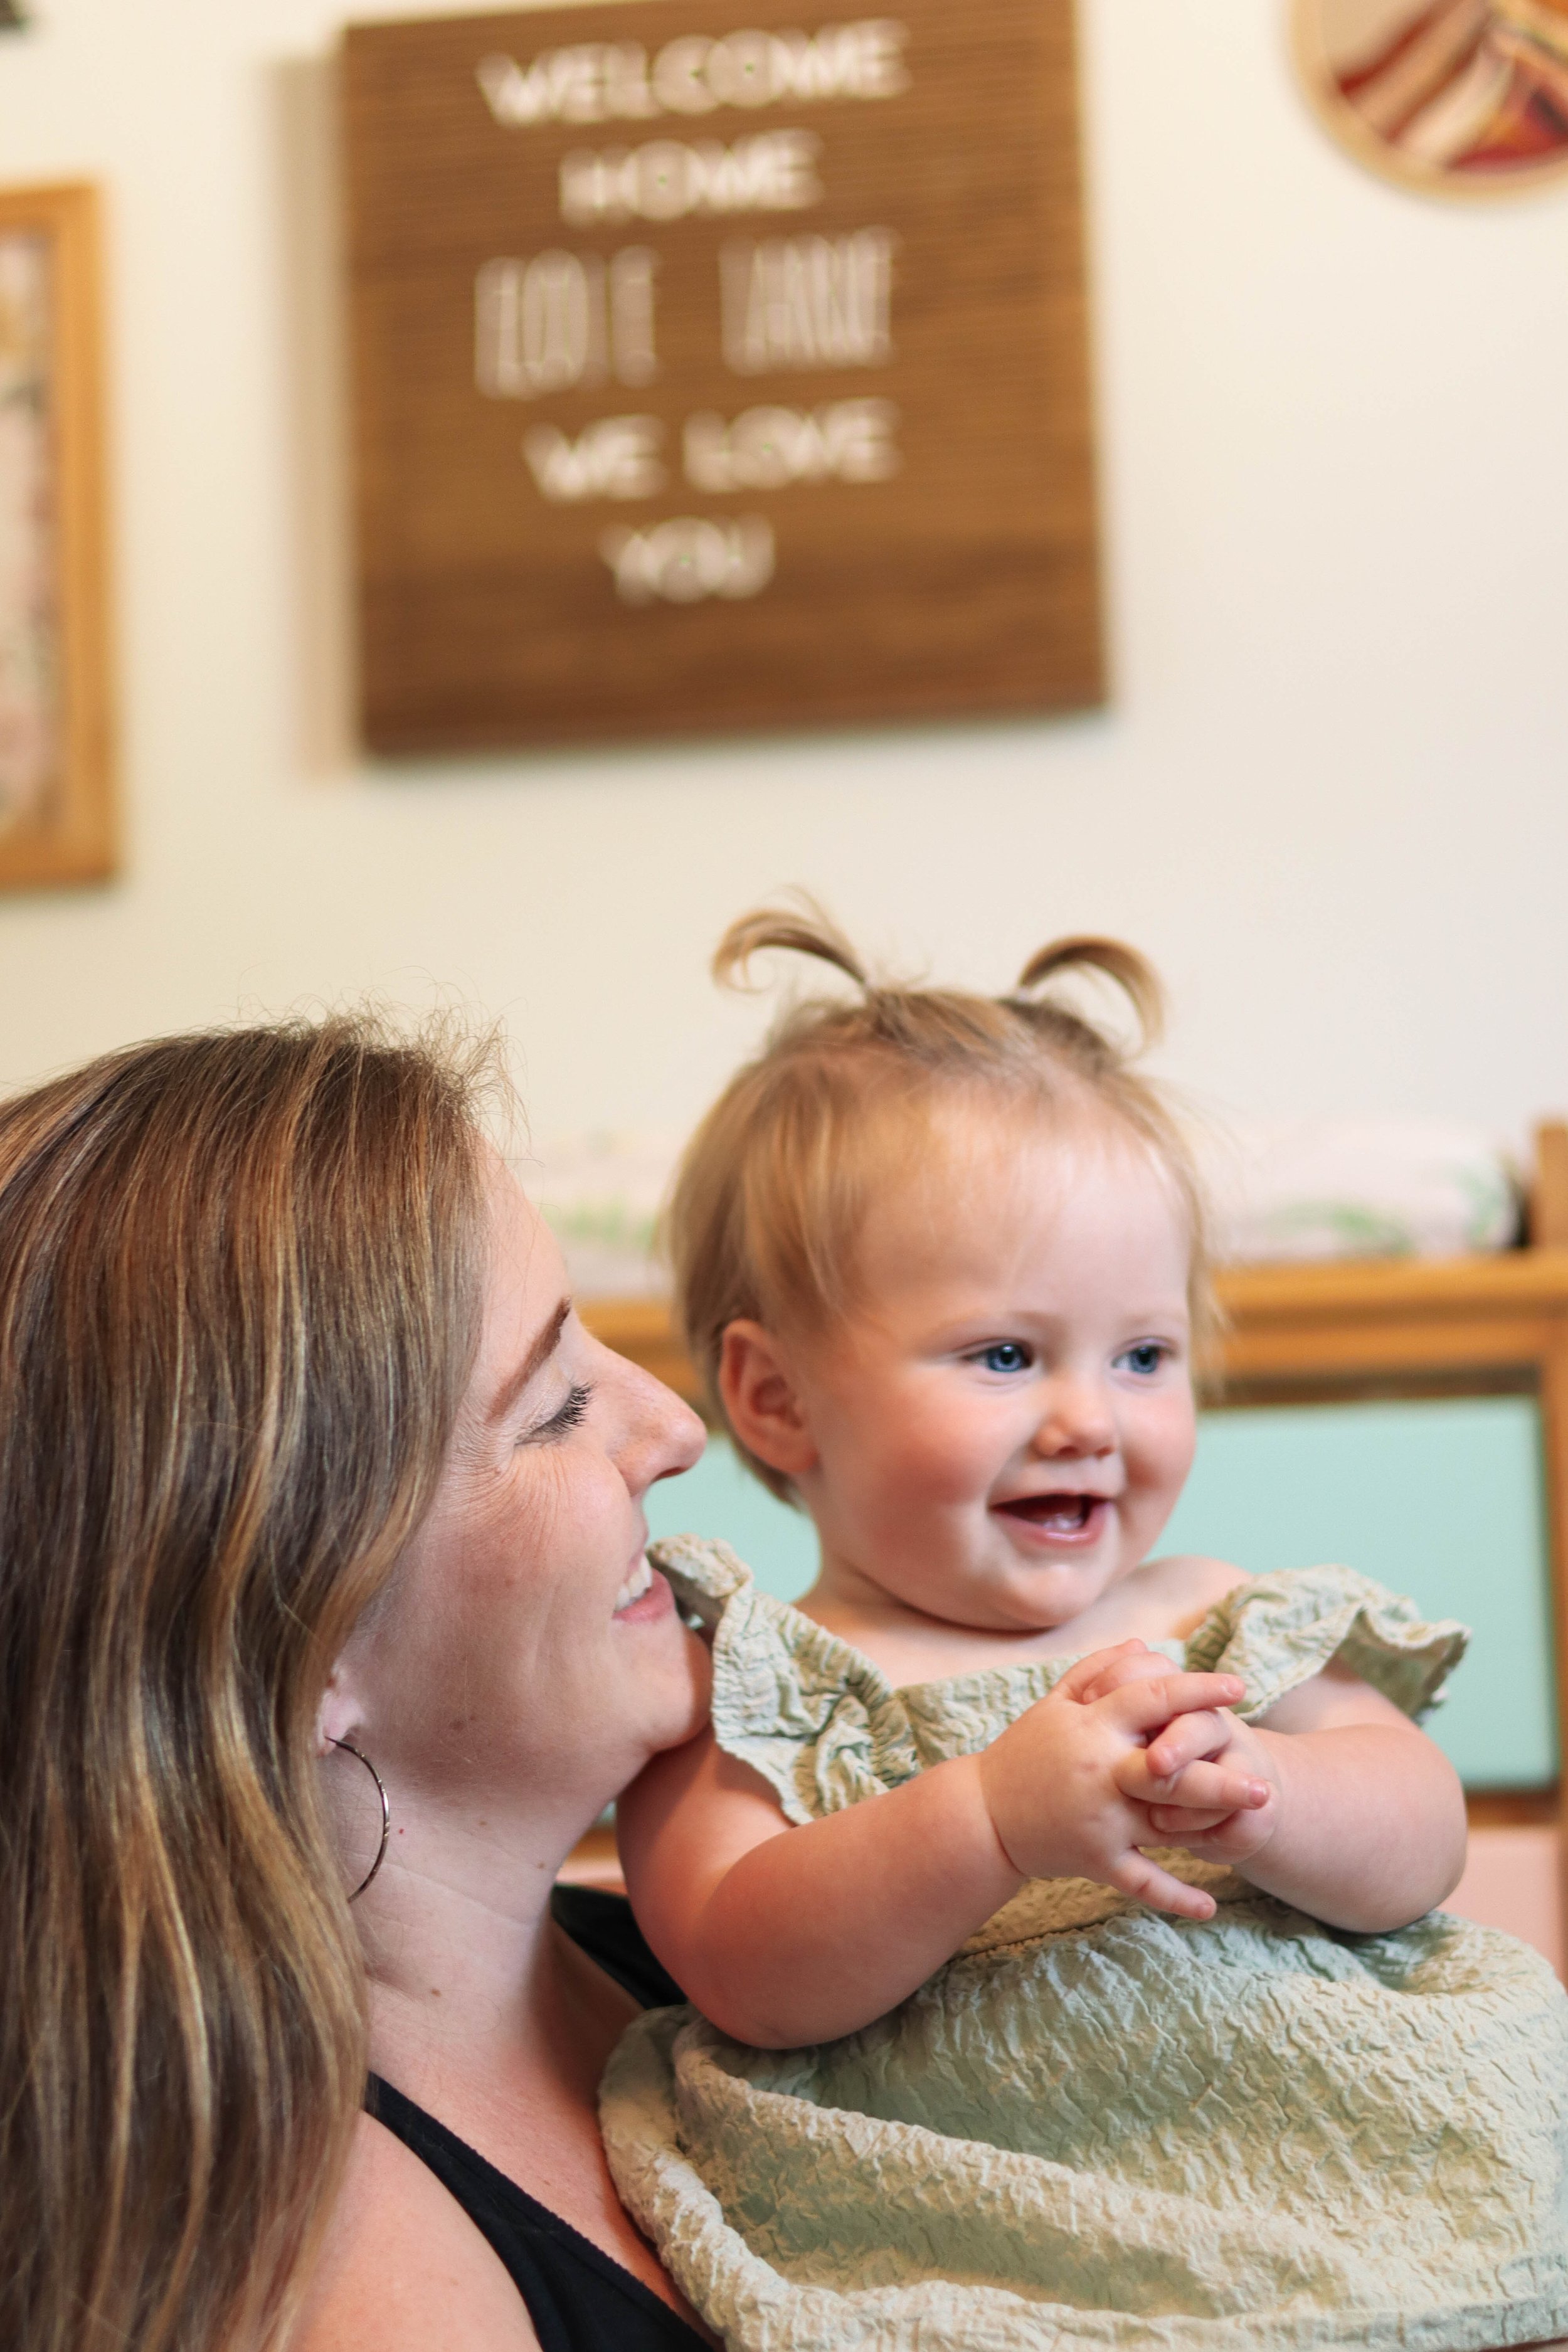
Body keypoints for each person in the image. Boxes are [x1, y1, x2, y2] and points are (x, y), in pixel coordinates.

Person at [606, 906, 1568, 2351]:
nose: (1087, 1418)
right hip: (997, 2224)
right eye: (1002, 1354)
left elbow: (1418, 1837)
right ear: (774, 1399)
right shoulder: (753, 1680)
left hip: (1330, 2151)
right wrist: (987, 1820)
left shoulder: (1210, 1615)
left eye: (1142, 1354)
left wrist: (1271, 1795)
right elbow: (736, 1961)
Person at [0, 1014, 717, 2352]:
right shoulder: (348, 2288)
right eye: (553, 1408)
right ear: (304, 1644)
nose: (672, 1429)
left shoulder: (701, 1954)